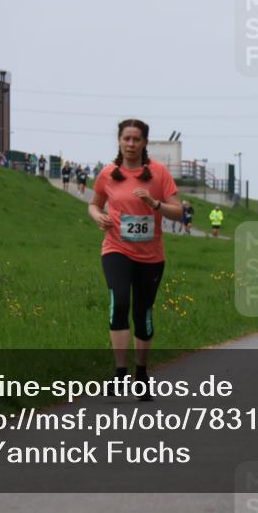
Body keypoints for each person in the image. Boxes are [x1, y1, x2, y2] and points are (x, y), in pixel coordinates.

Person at [89, 118, 182, 402]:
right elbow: (93, 203)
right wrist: (98, 217)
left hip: (151, 256)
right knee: (120, 303)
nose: (130, 144)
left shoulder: (158, 173)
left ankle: (141, 373)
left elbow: (178, 212)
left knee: (143, 313)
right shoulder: (108, 173)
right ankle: (119, 374)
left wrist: (154, 205)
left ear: (144, 143)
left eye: (136, 139)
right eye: (126, 139)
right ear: (119, 140)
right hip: (116, 248)